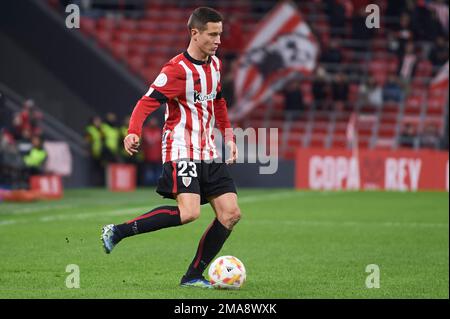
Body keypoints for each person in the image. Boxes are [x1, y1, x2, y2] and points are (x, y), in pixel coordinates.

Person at [101, 7, 241, 289]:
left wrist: (228, 136)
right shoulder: (176, 70)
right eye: (212, 34)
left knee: (230, 213)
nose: (218, 41)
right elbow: (146, 102)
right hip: (181, 148)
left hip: (208, 151)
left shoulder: (215, 65)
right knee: (189, 212)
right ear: (195, 33)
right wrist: (133, 132)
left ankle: (192, 277)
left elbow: (218, 102)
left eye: (220, 34)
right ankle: (118, 231)